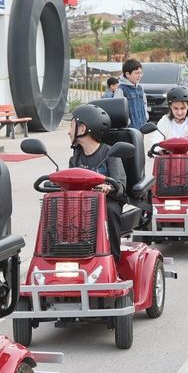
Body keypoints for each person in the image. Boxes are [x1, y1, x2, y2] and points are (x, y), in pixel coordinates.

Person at [68, 104, 126, 259]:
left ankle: (113, 259)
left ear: (82, 129)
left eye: (71, 126)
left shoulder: (110, 153)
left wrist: (108, 187)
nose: (68, 132)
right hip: (82, 201)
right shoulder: (75, 159)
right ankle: (68, 254)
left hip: (107, 201)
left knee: (109, 209)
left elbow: (120, 186)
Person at [117, 58, 148, 129]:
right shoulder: (121, 89)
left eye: (141, 73)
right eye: (137, 73)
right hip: (130, 129)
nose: (139, 76)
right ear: (127, 74)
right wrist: (127, 121)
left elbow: (145, 102)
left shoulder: (140, 88)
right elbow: (118, 110)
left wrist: (145, 116)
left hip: (142, 126)